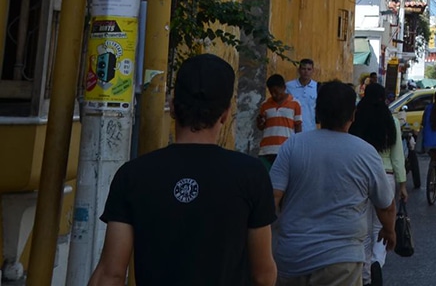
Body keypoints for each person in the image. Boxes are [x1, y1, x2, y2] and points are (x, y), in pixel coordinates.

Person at [87, 54, 276, 286]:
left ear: (173, 107)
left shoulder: (133, 175)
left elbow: (111, 274)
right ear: (226, 113)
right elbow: (263, 274)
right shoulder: (251, 175)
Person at [272, 80, 396, 286]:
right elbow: (386, 205)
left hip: (292, 257)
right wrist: (389, 230)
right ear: (352, 115)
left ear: (317, 112)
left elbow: (272, 198)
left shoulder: (293, 145)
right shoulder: (365, 152)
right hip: (341, 261)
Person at [349, 83, 408, 286]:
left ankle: (365, 272)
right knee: (379, 228)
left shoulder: (357, 119)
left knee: (363, 227)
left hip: (360, 177)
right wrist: (402, 185)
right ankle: (377, 262)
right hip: (386, 175)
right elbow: (397, 156)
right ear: (384, 99)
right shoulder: (391, 121)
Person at [256, 73, 303, 166]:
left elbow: (298, 127)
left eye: (276, 91)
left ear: (284, 88)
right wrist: (259, 123)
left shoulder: (295, 103)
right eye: (271, 92)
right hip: (266, 150)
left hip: (285, 150)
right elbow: (261, 127)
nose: (274, 95)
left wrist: (298, 147)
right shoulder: (264, 104)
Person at [287, 58, 318, 132]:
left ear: (313, 71)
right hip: (292, 130)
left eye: (309, 69)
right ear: (299, 70)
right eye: (303, 69)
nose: (306, 72)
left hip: (311, 130)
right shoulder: (289, 86)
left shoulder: (317, 87)